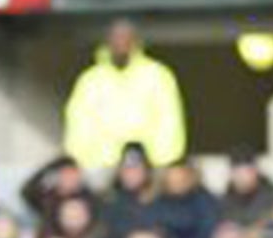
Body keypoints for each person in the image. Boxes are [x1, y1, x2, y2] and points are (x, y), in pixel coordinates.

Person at [61, 20, 187, 171]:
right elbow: (78, 120)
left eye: (126, 39)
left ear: (135, 42)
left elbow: (170, 120)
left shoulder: (157, 75)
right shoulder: (91, 79)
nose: (121, 44)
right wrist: (81, 159)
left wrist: (164, 161)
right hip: (100, 166)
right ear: (108, 42)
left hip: (148, 165)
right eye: (116, 39)